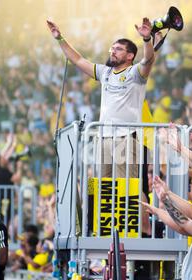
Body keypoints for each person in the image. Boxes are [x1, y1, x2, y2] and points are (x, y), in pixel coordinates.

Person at [47, 17, 155, 178]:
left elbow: (148, 60)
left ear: (130, 56)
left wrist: (147, 39)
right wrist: (59, 38)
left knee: (126, 189)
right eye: (112, 48)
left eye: (118, 49)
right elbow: (77, 59)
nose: (113, 51)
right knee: (102, 187)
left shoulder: (135, 73)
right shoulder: (105, 72)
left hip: (126, 136)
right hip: (104, 137)